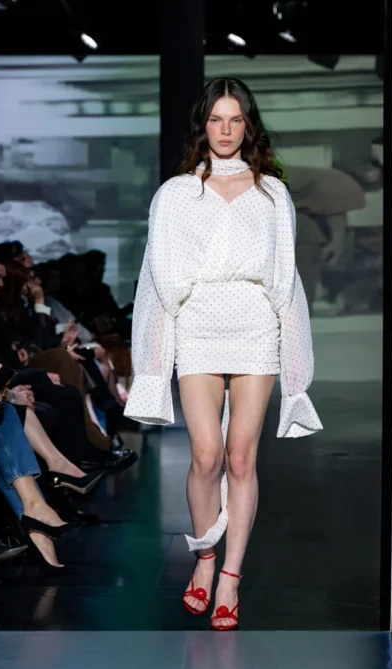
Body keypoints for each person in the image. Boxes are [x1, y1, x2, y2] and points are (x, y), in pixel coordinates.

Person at [124, 77, 323, 630]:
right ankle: (205, 557)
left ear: (248, 126)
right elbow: (157, 282)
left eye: (236, 120)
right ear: (203, 125)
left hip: (256, 327)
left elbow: (286, 280)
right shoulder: (176, 194)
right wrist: (151, 368)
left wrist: (298, 370)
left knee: (240, 458)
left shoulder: (271, 193)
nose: (226, 130)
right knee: (207, 456)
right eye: (217, 119)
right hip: (198, 326)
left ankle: (230, 577)